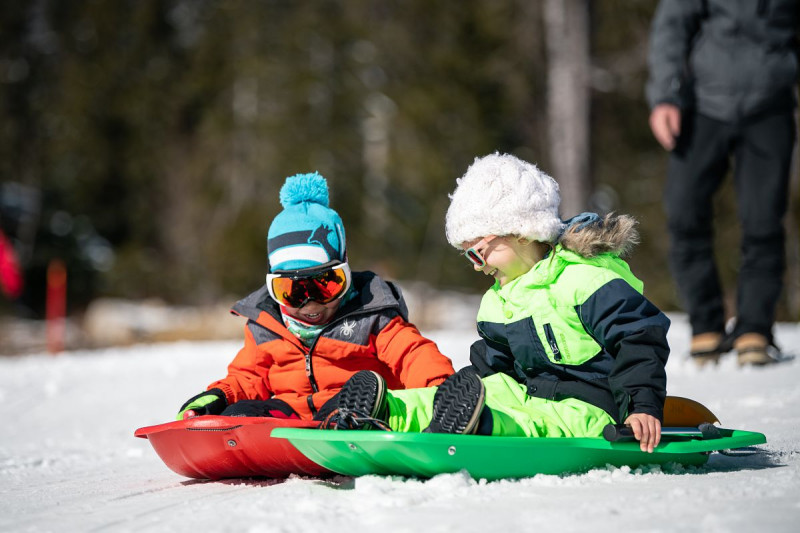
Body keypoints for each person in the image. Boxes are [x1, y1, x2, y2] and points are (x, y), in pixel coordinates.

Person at [325, 153, 670, 453]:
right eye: (468, 257)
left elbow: (639, 338)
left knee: (537, 423)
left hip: (592, 409)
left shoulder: (584, 280)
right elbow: (492, 373)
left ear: (522, 232)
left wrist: (641, 405)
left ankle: (480, 426)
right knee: (484, 394)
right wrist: (467, 391)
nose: (477, 266)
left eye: (478, 252)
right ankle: (385, 411)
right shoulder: (498, 301)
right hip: (528, 397)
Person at [176, 172, 455, 421]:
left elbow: (412, 355)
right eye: (291, 291)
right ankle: (245, 434)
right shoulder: (265, 325)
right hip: (293, 416)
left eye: (325, 285)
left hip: (354, 407)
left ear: (345, 272)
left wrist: (443, 391)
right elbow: (248, 376)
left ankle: (349, 421)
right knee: (239, 413)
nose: (309, 302)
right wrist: (221, 395)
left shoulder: (372, 315)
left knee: (347, 408)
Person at [646, 0, 798, 366]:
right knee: (684, 212)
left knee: (763, 220)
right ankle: (706, 327)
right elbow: (672, 25)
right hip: (702, 105)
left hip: (771, 103)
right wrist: (665, 95)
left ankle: (754, 331)